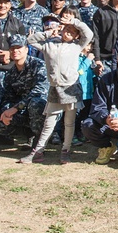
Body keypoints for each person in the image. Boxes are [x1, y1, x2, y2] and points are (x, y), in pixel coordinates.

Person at [22, 16, 94, 164]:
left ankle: (66, 150)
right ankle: (38, 151)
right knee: (49, 121)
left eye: (72, 31)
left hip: (71, 88)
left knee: (69, 122)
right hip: (55, 88)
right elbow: (30, 40)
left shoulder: (77, 46)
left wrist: (74, 22)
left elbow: (89, 34)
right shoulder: (49, 45)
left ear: (76, 36)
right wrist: (49, 33)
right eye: (66, 29)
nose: (68, 32)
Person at [0, 34, 49, 146]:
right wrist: (6, 111)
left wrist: (15, 108)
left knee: (35, 103)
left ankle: (39, 143)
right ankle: (27, 135)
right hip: (22, 110)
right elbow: (8, 96)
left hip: (43, 109)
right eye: (12, 48)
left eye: (19, 48)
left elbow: (39, 92)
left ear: (26, 49)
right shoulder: (11, 73)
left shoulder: (39, 65)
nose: (15, 51)